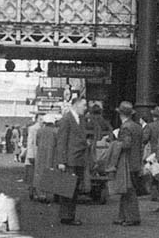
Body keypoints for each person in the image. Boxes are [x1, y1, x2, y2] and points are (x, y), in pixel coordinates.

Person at [56, 96, 88, 226]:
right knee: (68, 188)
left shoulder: (80, 119)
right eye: (84, 105)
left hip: (77, 159)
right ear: (76, 105)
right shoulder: (66, 119)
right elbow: (61, 141)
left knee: (74, 189)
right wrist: (61, 161)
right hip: (70, 160)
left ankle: (69, 215)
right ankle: (67, 216)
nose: (85, 108)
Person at [112, 101, 142, 227]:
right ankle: (122, 216)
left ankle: (132, 218)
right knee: (128, 190)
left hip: (127, 162)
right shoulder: (137, 126)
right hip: (135, 161)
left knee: (128, 191)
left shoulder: (125, 127)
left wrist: (114, 143)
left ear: (121, 114)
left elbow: (126, 144)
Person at [34, 112, 60, 201]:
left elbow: (37, 143)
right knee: (52, 172)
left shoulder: (40, 131)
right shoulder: (56, 131)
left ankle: (41, 194)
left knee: (40, 172)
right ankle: (50, 194)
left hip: (41, 154)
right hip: (52, 155)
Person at [143, 106, 159, 205]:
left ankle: (155, 194)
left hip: (154, 153)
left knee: (154, 174)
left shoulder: (150, 126)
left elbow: (145, 139)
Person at [25, 115, 42, 195]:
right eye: (40, 119)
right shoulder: (33, 128)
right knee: (33, 173)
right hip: (34, 154)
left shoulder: (43, 128)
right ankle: (33, 190)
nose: (41, 121)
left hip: (41, 154)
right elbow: (30, 142)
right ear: (36, 119)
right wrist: (30, 155)